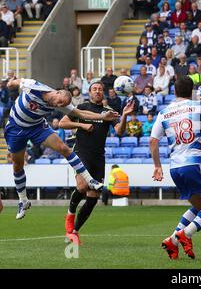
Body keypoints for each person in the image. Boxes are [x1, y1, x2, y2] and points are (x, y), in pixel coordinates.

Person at [5, 78, 119, 219]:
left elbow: (81, 114)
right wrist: (11, 83)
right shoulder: (34, 87)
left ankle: (90, 180)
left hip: (37, 127)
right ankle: (23, 200)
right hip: (16, 129)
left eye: (62, 105)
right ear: (57, 92)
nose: (58, 105)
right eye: (59, 102)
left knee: (64, 148)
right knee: (17, 165)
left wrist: (103, 116)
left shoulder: (61, 103)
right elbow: (19, 81)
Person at [151, 76, 201, 260]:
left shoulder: (164, 113)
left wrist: (157, 166)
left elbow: (153, 142)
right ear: (191, 91)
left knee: (200, 204)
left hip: (174, 168)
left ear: (174, 91)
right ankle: (183, 235)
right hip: (193, 164)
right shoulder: (198, 106)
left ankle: (172, 241)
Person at [60, 81, 133, 244]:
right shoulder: (82, 108)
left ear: (103, 93)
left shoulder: (108, 112)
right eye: (95, 89)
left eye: (100, 89)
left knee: (93, 198)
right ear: (90, 92)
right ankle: (70, 215)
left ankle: (75, 231)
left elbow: (120, 131)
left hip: (98, 158)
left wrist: (125, 115)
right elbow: (62, 123)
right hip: (81, 153)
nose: (98, 91)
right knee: (82, 186)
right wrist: (82, 125)